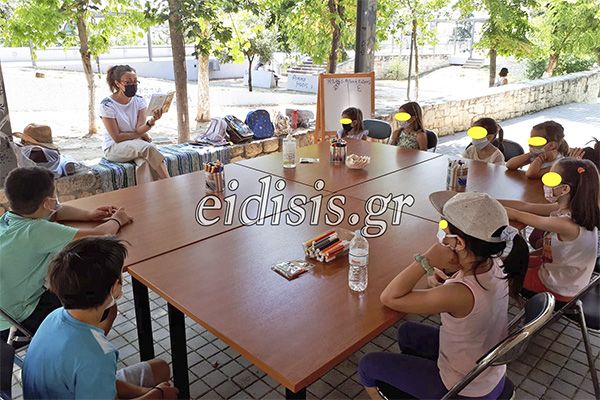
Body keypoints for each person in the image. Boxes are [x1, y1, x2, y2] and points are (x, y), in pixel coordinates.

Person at [359, 191, 528, 399]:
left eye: (443, 227)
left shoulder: (459, 293)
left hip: (464, 389)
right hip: (486, 371)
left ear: (459, 243)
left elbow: (390, 298)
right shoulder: (497, 263)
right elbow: (461, 289)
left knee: (368, 365)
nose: (441, 233)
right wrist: (446, 279)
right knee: (407, 332)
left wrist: (427, 259)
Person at [22, 237, 178, 399]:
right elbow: (96, 367)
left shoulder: (55, 317)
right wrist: (158, 395)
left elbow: (104, 380)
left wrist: (148, 393)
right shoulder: (97, 355)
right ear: (114, 288)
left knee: (160, 368)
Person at [0, 167, 133, 342]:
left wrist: (89, 215)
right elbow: (102, 235)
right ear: (47, 203)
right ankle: (88, 348)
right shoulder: (35, 231)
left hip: (5, 313)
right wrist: (118, 219)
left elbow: (55, 212)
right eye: (54, 197)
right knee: (105, 303)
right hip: (17, 323)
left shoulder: (8, 220)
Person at [501, 158, 599, 303]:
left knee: (501, 272)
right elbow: (526, 206)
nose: (544, 182)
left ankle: (512, 300)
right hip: (564, 275)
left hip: (558, 288)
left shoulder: (566, 224)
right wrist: (491, 199)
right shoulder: (574, 209)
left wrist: (488, 205)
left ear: (565, 189)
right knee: (508, 262)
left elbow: (518, 215)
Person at [100, 65, 170, 184]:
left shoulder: (139, 100)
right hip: (114, 148)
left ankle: (149, 194)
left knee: (145, 163)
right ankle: (170, 183)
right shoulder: (107, 105)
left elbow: (139, 129)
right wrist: (139, 135)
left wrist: (152, 121)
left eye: (135, 81)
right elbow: (117, 137)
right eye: (128, 82)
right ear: (117, 83)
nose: (132, 85)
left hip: (135, 145)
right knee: (148, 148)